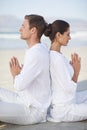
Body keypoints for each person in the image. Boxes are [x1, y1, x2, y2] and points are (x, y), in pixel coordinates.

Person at [0, 14, 51, 125]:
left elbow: (19, 86)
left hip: (33, 111)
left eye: (23, 26)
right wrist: (21, 74)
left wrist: (15, 75)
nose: (20, 29)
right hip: (25, 100)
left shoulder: (35, 53)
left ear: (33, 30)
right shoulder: (40, 48)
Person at [44, 20, 87, 122]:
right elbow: (69, 89)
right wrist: (76, 71)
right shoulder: (57, 59)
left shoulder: (55, 55)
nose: (70, 38)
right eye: (68, 34)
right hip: (65, 109)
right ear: (58, 35)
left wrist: (72, 69)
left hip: (67, 101)